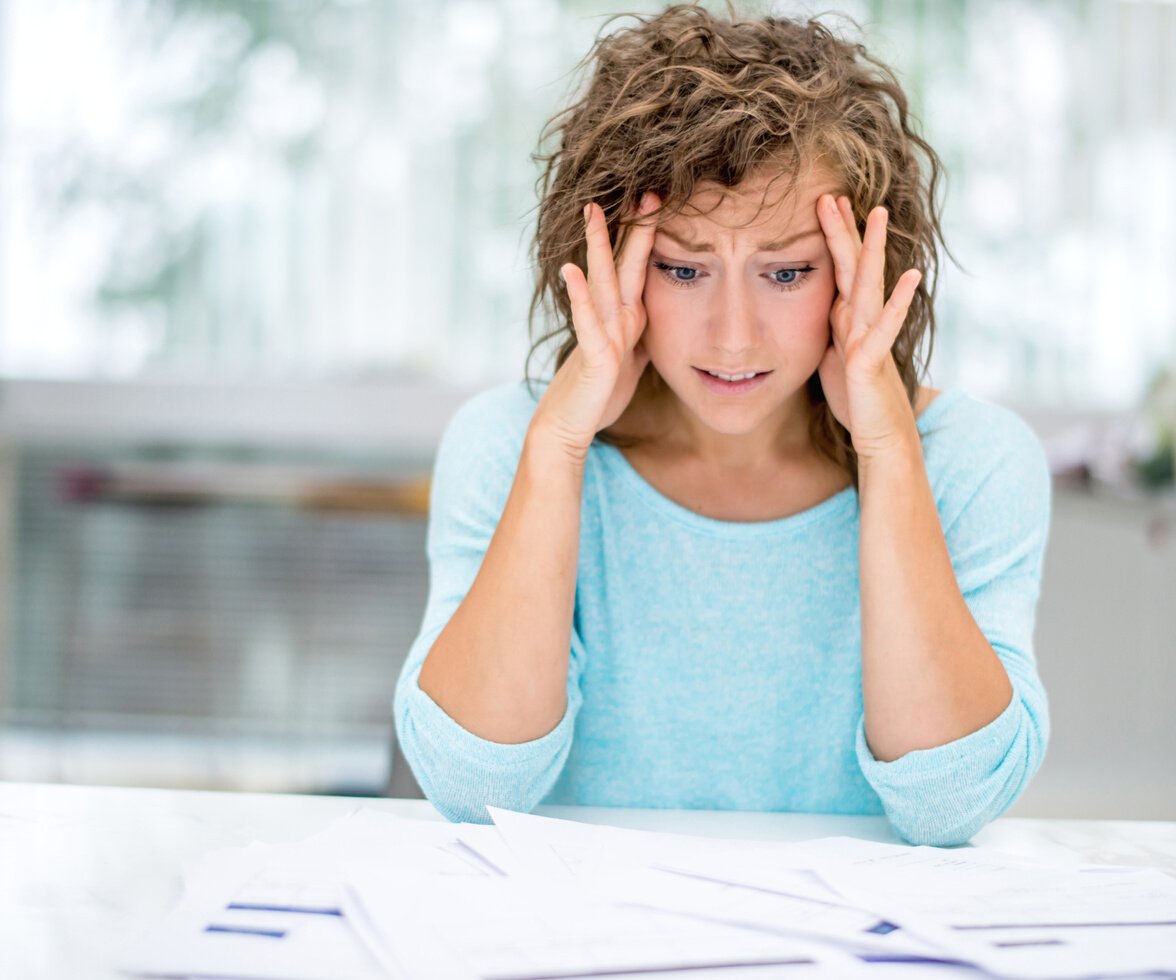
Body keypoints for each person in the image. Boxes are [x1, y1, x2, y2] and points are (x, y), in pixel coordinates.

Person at [394, 3, 1051, 846]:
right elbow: (470, 786)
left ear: (866, 271)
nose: (734, 335)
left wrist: (888, 453)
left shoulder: (976, 461)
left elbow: (951, 804)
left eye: (786, 272)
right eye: (681, 267)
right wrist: (558, 450)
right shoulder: (506, 443)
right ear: (604, 261)